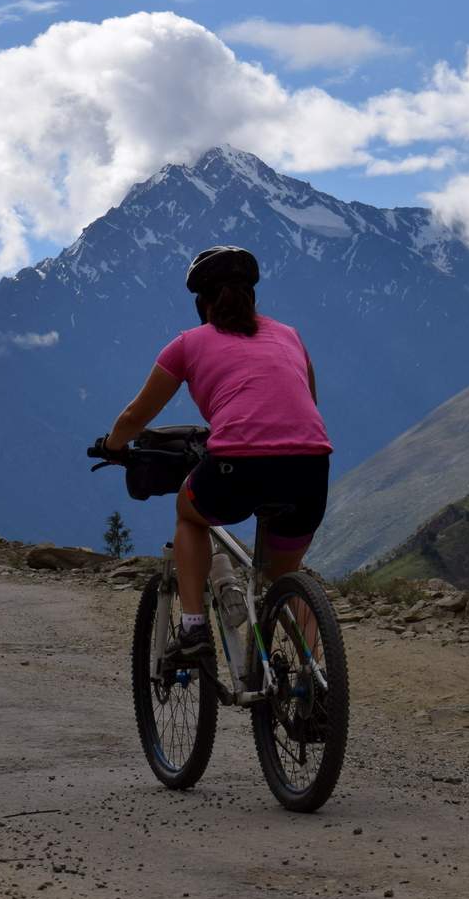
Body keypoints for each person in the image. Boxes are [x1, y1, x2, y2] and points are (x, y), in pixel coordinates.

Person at [101, 245, 332, 665]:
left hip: (236, 461)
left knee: (190, 513)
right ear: (252, 298)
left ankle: (192, 630)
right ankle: (318, 679)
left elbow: (136, 414)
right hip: (311, 463)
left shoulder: (188, 344)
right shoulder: (290, 335)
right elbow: (307, 403)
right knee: (283, 575)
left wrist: (112, 446)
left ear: (200, 303)